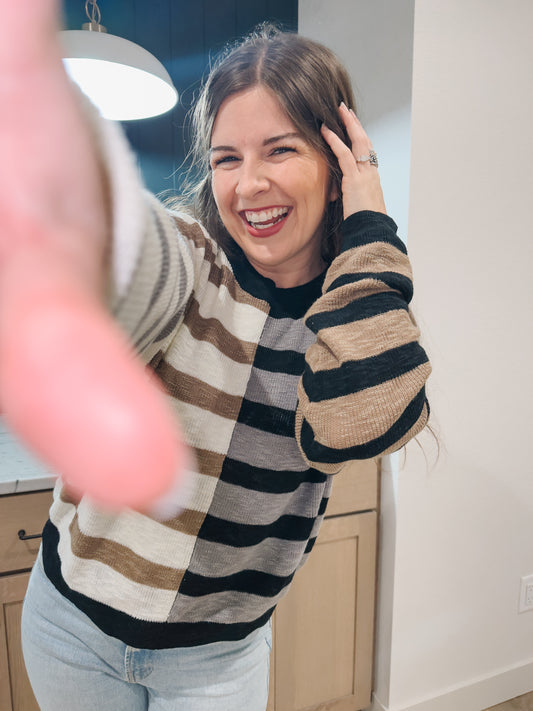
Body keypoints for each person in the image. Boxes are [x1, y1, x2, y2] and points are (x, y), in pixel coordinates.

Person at [0, 2, 431, 709]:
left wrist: (369, 221)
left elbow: (361, 419)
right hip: (72, 628)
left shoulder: (350, 310)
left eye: (280, 149)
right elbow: (126, 256)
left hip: (214, 662)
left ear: (338, 164)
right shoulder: (193, 265)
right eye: (228, 157)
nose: (247, 184)